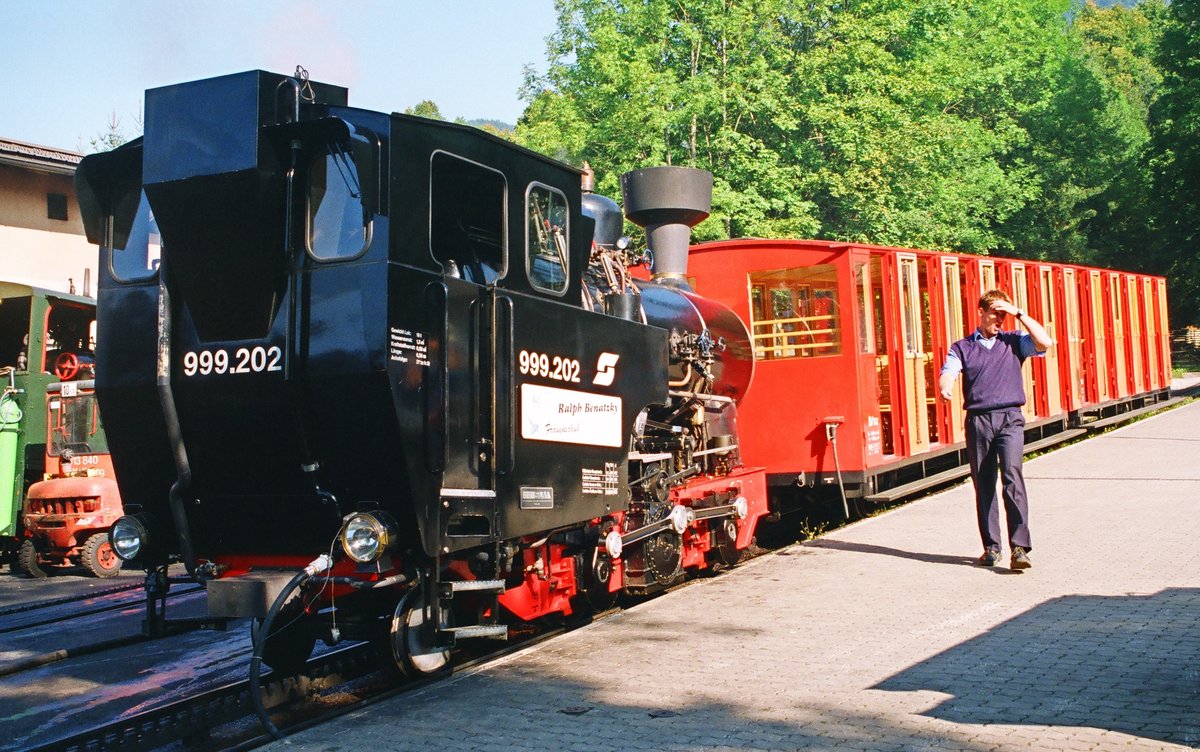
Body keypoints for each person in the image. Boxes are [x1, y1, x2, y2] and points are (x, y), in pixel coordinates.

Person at [939, 289, 1054, 570]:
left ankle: (1019, 548)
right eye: (995, 314)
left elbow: (1045, 343)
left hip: (1010, 418)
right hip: (979, 420)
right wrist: (946, 385)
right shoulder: (962, 346)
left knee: (1012, 477)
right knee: (984, 482)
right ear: (981, 312)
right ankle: (991, 547)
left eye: (1004, 315)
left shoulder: (1014, 342)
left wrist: (1020, 314)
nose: (1000, 320)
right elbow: (949, 369)